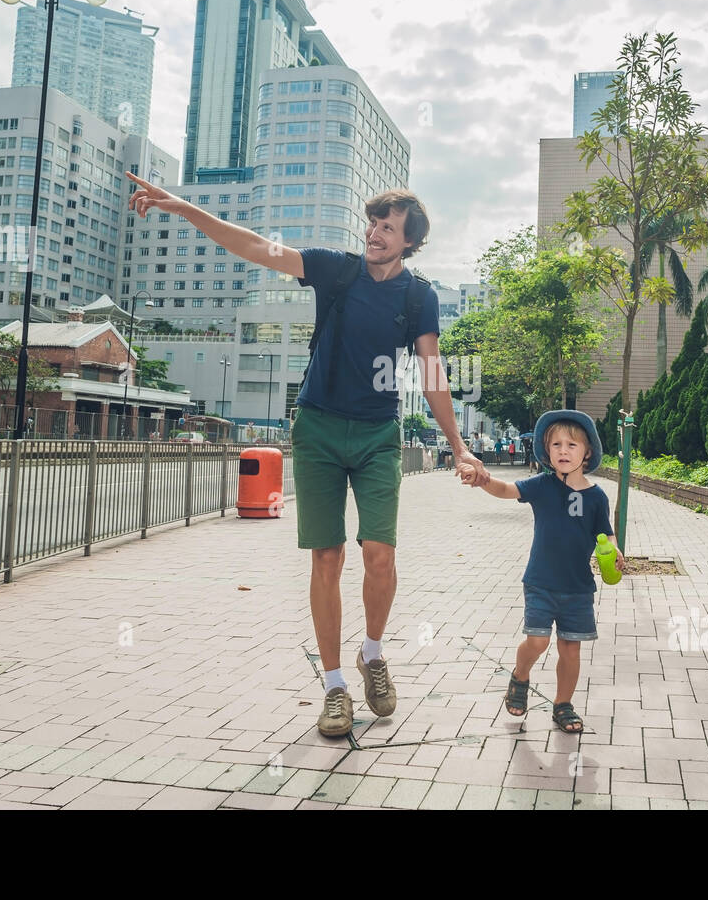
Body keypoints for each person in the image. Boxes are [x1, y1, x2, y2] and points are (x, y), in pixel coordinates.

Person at [127, 172, 491, 738]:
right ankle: (335, 686)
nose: (375, 232)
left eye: (388, 228)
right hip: (318, 430)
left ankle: (373, 654)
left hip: (376, 435)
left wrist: (459, 446)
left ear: (409, 241)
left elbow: (431, 370)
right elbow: (253, 245)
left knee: (380, 554)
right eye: (373, 222)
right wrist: (183, 208)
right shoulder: (335, 268)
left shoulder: (417, 297)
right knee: (327, 558)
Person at [457, 410, 622, 734]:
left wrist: (614, 550)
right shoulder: (543, 486)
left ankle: (563, 704)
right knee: (537, 640)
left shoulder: (597, 496)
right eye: (555, 444)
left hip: (578, 588)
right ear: (547, 451)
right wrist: (483, 480)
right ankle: (520, 676)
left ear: (587, 452)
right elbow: (506, 489)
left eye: (571, 445)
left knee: (570, 648)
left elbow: (604, 532)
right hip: (541, 582)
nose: (563, 450)